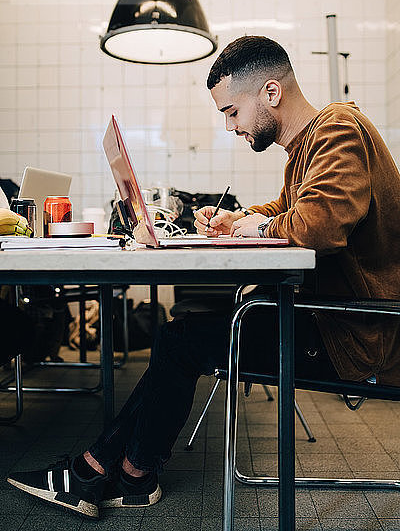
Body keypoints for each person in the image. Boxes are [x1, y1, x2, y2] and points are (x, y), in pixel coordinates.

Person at [7, 36, 400, 519]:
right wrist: (238, 218)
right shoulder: (308, 147)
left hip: (358, 336)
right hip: (330, 321)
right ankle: (121, 471)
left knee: (182, 341)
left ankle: (111, 472)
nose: (232, 127)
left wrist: (259, 225)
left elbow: (318, 224)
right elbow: (287, 209)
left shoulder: (339, 129)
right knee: (180, 337)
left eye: (233, 112)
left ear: (271, 93)